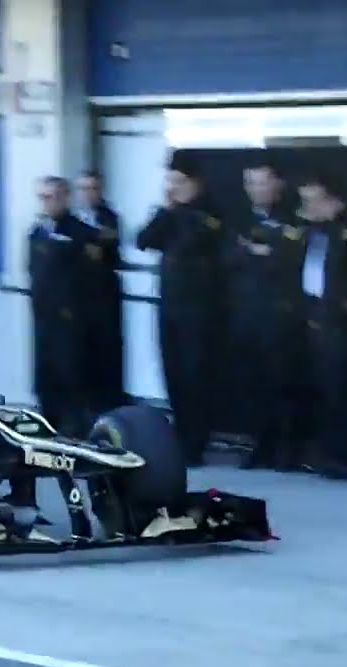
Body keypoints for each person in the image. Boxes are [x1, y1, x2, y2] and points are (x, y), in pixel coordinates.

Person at [135, 156, 228, 466]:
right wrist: (166, 210)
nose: (173, 188)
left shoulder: (209, 212)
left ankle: (195, 441)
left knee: (194, 376)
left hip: (199, 308)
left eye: (179, 183)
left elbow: (192, 242)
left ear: (195, 183)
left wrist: (179, 213)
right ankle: (180, 434)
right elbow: (143, 240)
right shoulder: (170, 213)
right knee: (172, 372)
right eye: (170, 182)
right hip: (170, 305)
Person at [290, 175, 347, 479]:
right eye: (304, 201)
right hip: (311, 316)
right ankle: (326, 452)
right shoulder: (305, 232)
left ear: (334, 201)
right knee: (321, 388)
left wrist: (331, 223)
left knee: (343, 389)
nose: (308, 208)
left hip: (341, 321)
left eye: (314, 201)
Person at [229, 163, 303, 470]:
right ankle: (259, 444)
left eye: (263, 182)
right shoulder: (238, 219)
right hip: (247, 313)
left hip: (281, 313)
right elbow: (227, 257)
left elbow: (291, 261)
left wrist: (261, 253)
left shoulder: (293, 218)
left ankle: (288, 448)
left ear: (278, 185)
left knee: (283, 382)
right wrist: (257, 253)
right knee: (252, 383)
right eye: (251, 183)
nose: (257, 189)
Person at [29, 176, 99, 436]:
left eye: (52, 197)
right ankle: (48, 425)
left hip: (70, 317)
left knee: (70, 372)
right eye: (42, 197)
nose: (46, 203)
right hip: (43, 315)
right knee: (45, 374)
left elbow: (91, 278)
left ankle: (75, 429)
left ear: (65, 198)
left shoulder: (81, 233)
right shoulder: (38, 231)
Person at [74, 170, 126, 415]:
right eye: (83, 189)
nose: (87, 194)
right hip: (79, 297)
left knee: (108, 353)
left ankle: (109, 406)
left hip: (105, 295)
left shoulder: (109, 217)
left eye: (92, 188)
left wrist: (92, 244)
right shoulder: (72, 219)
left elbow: (107, 249)